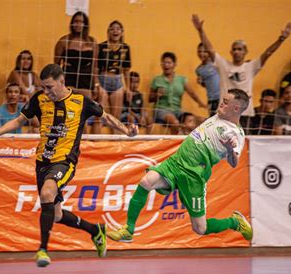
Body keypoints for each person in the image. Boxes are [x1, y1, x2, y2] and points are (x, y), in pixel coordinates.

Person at [0, 64, 138, 267]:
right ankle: (95, 230)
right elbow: (19, 121)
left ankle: (42, 250)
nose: (46, 91)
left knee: (47, 193)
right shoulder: (39, 99)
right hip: (42, 161)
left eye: (50, 87)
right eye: (43, 87)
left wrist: (126, 131)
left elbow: (105, 117)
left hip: (65, 160)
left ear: (62, 81)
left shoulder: (80, 101)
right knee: (57, 214)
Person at [108, 88, 253, 243]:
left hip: (194, 175)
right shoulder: (219, 115)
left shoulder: (236, 133)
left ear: (236, 108)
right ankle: (128, 230)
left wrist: (230, 149)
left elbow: (234, 163)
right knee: (146, 182)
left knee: (200, 228)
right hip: (176, 163)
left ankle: (235, 223)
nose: (221, 104)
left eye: (225, 102)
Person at [192, 14, 291, 132]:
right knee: (223, 146)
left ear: (245, 52)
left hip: (245, 113)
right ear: (230, 52)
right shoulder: (223, 65)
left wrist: (281, 39)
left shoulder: (251, 67)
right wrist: (200, 30)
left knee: (244, 145)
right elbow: (210, 49)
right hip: (226, 114)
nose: (236, 51)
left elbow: (268, 53)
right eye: (234, 49)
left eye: (239, 49)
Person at [149, 52, 207, 135]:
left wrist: (202, 104)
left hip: (177, 111)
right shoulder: (157, 80)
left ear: (174, 64)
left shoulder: (181, 79)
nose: (166, 65)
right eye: (164, 63)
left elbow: (192, 93)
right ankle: (174, 145)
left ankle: (195, 143)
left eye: (169, 63)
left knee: (201, 120)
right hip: (161, 110)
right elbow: (150, 99)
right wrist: (156, 95)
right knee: (175, 122)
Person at [54, 11, 99, 100]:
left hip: (86, 79)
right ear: (72, 23)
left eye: (81, 22)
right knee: (68, 106)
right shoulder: (64, 41)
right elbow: (56, 66)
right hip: (69, 77)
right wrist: (57, 83)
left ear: (85, 24)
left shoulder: (92, 42)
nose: (78, 24)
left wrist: (96, 84)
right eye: (76, 21)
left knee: (86, 107)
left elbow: (95, 67)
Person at [97, 21, 132, 133]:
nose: (115, 31)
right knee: (99, 115)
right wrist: (96, 85)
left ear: (122, 32)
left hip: (117, 82)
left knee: (116, 118)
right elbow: (95, 69)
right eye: (112, 29)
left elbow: (126, 70)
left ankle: (115, 145)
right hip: (103, 80)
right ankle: (95, 145)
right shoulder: (101, 47)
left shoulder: (125, 48)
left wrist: (129, 88)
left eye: (118, 29)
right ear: (108, 32)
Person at [6, 50, 40, 132]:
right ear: (18, 61)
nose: (26, 61)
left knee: (37, 127)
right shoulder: (14, 73)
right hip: (16, 110)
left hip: (30, 108)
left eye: (28, 59)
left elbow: (42, 93)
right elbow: (26, 93)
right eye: (23, 58)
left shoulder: (33, 75)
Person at [195, 43, 220, 117]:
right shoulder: (198, 70)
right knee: (213, 121)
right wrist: (201, 82)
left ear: (209, 52)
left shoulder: (215, 63)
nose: (201, 54)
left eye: (204, 51)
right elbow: (206, 85)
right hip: (211, 100)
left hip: (222, 97)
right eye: (199, 51)